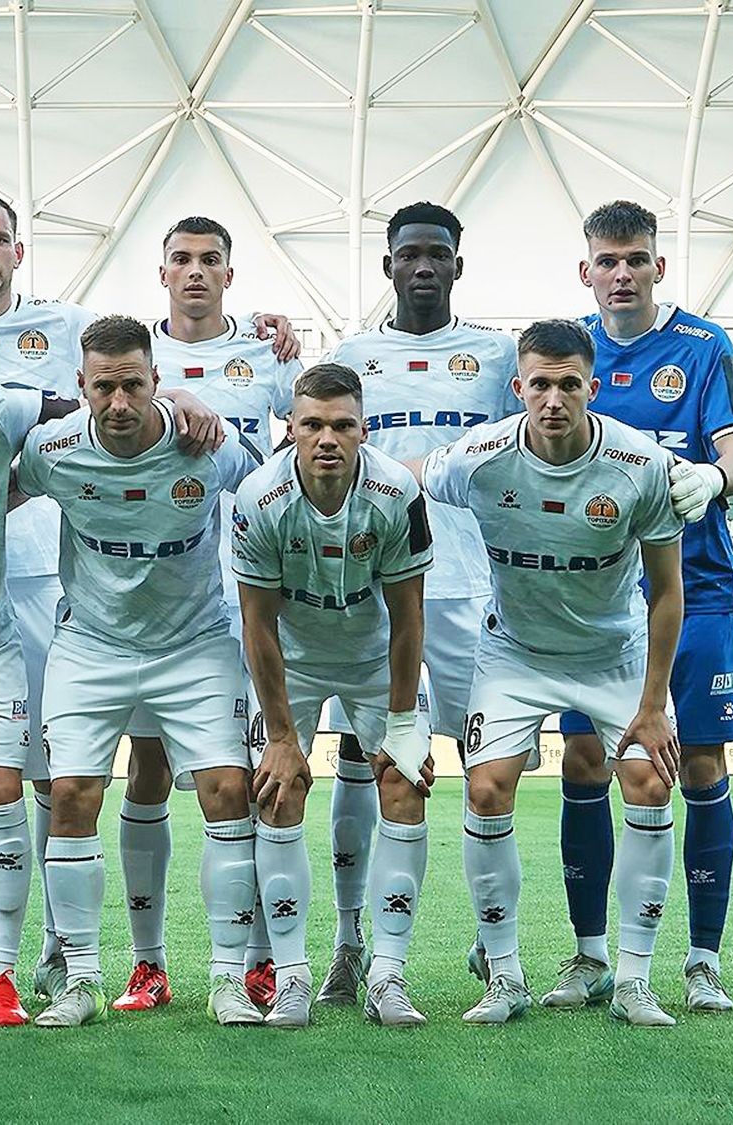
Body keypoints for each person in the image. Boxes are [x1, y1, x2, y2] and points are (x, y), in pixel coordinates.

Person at [0, 192, 297, 1004]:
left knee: (159, 789)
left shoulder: (82, 337)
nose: (117, 403)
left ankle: (179, 968)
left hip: (148, 622)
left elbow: (260, 477)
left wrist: (234, 355)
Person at [418, 318, 685, 1027]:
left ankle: (634, 981)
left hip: (613, 654)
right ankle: (504, 976)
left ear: (592, 388)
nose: (554, 399)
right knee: (485, 788)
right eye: (540, 384)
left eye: (570, 384)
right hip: (515, 653)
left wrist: (653, 704)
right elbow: (413, 472)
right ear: (519, 387)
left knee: (650, 781)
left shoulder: (640, 465)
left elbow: (667, 591)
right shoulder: (479, 457)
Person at [14, 315, 264, 1029]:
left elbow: (274, 485)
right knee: (70, 795)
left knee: (227, 791)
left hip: (193, 645)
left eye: (133, 385)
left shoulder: (206, 444)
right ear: (80, 387)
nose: (119, 403)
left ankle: (228, 978)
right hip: (90, 645)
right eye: (104, 388)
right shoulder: (52, 450)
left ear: (157, 380)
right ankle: (80, 978)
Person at [545, 200, 733, 1014]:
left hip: (694, 589)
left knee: (698, 763)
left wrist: (714, 476)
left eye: (636, 258)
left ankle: (702, 961)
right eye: (608, 260)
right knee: (584, 761)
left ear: (658, 266)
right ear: (586, 271)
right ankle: (591, 955)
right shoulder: (568, 348)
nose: (622, 273)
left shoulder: (703, 347)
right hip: (593, 601)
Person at [319, 200, 518, 1004]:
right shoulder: (352, 355)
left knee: (485, 768)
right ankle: (348, 943)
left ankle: (494, 947)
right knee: (362, 762)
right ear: (389, 266)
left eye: (438, 254)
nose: (424, 266)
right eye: (410, 254)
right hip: (371, 593)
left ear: (457, 266)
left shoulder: (499, 356)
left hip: (471, 588)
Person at [112, 215, 302, 1014]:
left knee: (254, 775)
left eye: (209, 260)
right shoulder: (132, 360)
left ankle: (260, 960)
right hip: (164, 600)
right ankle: (148, 962)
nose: (195, 271)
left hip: (254, 596)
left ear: (230, 272)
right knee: (149, 767)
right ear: (161, 274)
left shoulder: (268, 354)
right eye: (181, 260)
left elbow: (310, 432)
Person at [232, 362, 437, 1027]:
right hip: (292, 658)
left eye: (343, 425)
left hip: (375, 658)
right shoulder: (259, 497)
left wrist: (402, 723)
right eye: (313, 424)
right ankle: (291, 977)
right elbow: (257, 625)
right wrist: (281, 737)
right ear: (290, 428)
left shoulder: (397, 490)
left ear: (363, 430)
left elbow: (409, 616)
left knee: (404, 782)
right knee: (278, 789)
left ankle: (387, 975)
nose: (327, 438)